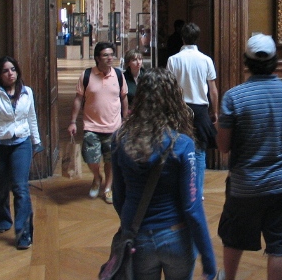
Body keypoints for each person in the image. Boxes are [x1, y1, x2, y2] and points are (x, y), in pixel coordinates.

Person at [112, 68, 217, 280]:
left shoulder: (120, 139)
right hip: (176, 236)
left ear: (140, 97)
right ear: (174, 98)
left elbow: (118, 196)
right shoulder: (182, 144)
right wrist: (208, 258)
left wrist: (132, 223)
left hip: (138, 236)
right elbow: (192, 207)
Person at [216, 34, 282, 280]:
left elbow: (223, 146)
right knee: (279, 244)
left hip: (245, 185)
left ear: (247, 61)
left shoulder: (234, 97)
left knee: (233, 236)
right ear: (275, 60)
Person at [0, 55, 43, 250]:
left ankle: (24, 233)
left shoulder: (27, 92)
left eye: (13, 69)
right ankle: (1, 217)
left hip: (21, 143)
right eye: (6, 70)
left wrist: (36, 141)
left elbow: (31, 117)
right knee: (0, 185)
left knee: (20, 188)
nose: (10, 74)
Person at [68, 42, 128, 204]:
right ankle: (97, 177)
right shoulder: (87, 75)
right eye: (105, 55)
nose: (110, 58)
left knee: (110, 160)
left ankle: (108, 187)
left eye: (111, 55)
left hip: (113, 126)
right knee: (91, 158)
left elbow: (123, 97)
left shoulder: (118, 75)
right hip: (91, 126)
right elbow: (78, 99)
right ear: (97, 58)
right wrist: (73, 122)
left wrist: (125, 119)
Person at [166, 22, 218, 198]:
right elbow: (213, 90)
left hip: (180, 109)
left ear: (182, 37)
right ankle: (197, 191)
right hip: (201, 108)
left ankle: (181, 189)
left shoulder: (173, 60)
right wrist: (214, 111)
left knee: (178, 149)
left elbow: (170, 88)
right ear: (197, 38)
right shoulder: (206, 60)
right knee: (200, 151)